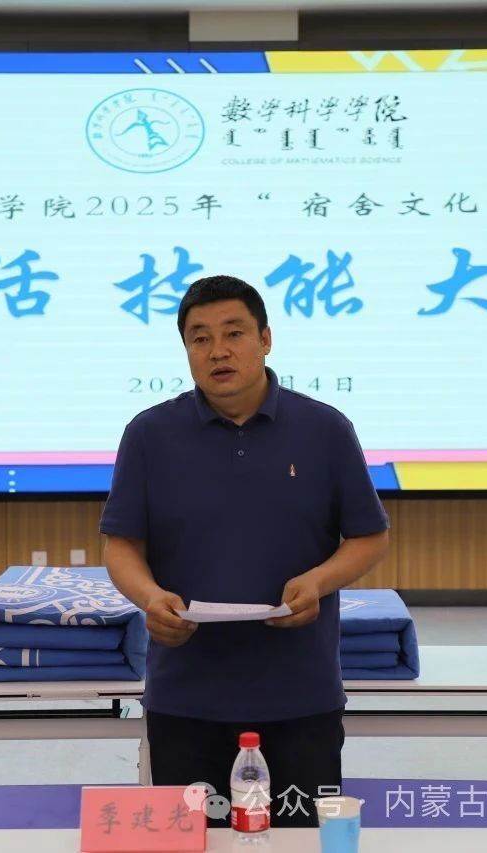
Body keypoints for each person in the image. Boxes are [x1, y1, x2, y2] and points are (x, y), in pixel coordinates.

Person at [100, 274, 390, 829]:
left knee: (301, 839)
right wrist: (150, 597)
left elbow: (369, 537)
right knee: (195, 840)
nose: (218, 351)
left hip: (300, 694)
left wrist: (318, 583)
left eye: (234, 333)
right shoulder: (149, 435)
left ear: (265, 339)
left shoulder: (325, 429)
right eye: (200, 338)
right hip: (186, 696)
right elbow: (122, 546)